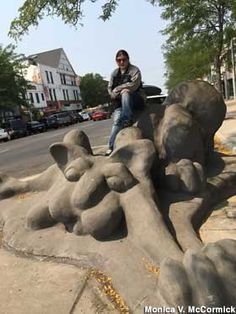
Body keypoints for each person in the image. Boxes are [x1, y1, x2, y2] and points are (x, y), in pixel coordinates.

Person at [106, 50, 146, 155]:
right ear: (116, 61)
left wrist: (119, 89)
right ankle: (110, 146)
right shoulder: (114, 73)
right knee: (116, 122)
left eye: (124, 59)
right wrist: (116, 93)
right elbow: (110, 89)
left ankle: (128, 120)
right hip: (119, 102)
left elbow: (134, 85)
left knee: (126, 92)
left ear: (128, 59)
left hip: (135, 98)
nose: (122, 62)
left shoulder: (134, 70)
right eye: (119, 60)